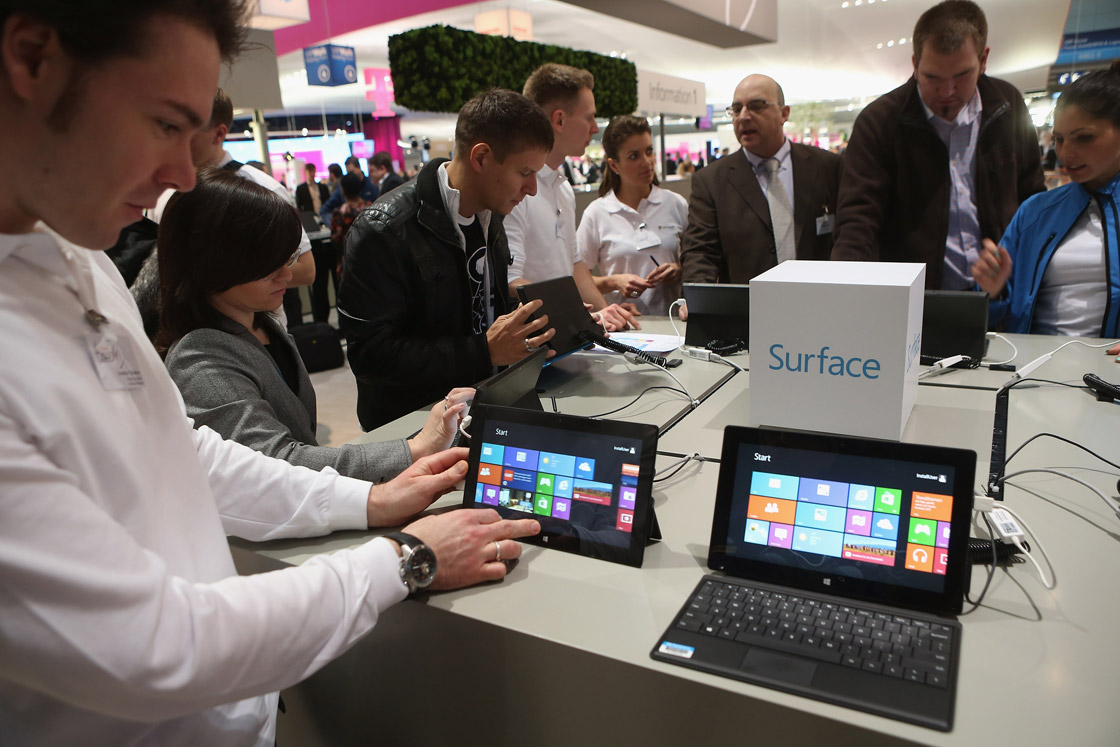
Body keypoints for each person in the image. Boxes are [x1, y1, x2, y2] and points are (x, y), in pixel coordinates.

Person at [0, 3, 539, 743]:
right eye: (163, 124)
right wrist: (403, 558)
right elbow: (157, 648)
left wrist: (370, 499)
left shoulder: (80, 260)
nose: (182, 177)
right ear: (32, 59)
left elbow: (182, 449)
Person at [160, 168, 471, 481]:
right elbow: (273, 464)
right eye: (268, 266)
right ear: (214, 264)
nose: (287, 274)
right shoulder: (200, 359)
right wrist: (415, 449)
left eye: (288, 257)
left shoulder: (262, 325)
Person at [338, 89, 558, 431]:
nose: (532, 188)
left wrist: (526, 336)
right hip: (413, 430)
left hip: (483, 409)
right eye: (525, 172)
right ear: (481, 157)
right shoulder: (384, 229)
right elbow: (371, 357)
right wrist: (483, 351)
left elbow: (482, 311)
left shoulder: (492, 215)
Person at [831, 0, 1045, 290]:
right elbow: (858, 218)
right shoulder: (880, 121)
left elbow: (1032, 199)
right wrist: (844, 288)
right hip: (913, 299)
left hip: (1000, 292)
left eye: (961, 76)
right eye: (932, 77)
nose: (947, 92)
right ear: (915, 63)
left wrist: (1027, 273)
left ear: (983, 60)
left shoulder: (1008, 106)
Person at [969, 61, 1120, 343]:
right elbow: (995, 314)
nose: (1066, 153)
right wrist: (993, 289)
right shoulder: (1035, 213)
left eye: (1084, 138)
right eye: (1059, 139)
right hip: (1033, 372)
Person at [506, 63, 639, 331]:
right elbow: (511, 281)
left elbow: (575, 265)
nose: (594, 128)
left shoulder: (562, 187)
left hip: (566, 339)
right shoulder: (516, 191)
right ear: (559, 120)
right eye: (589, 117)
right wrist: (574, 315)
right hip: (535, 347)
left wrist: (605, 314)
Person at [680, 74, 841, 285]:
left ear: (784, 113)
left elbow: (847, 235)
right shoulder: (711, 181)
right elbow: (700, 252)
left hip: (820, 303)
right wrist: (697, 298)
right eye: (736, 109)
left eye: (757, 106)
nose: (744, 116)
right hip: (747, 310)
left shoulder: (827, 166)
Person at [576, 115, 687, 315]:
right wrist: (613, 281)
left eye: (649, 151)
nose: (647, 162)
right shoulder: (597, 213)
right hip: (624, 328)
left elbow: (699, 260)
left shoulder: (675, 204)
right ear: (614, 165)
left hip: (675, 324)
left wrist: (678, 269)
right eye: (634, 156)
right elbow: (577, 278)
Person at [319, 155, 378, 224]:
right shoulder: (342, 187)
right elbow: (325, 209)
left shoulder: (372, 184)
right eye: (349, 173)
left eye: (352, 172)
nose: (351, 175)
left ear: (359, 167)